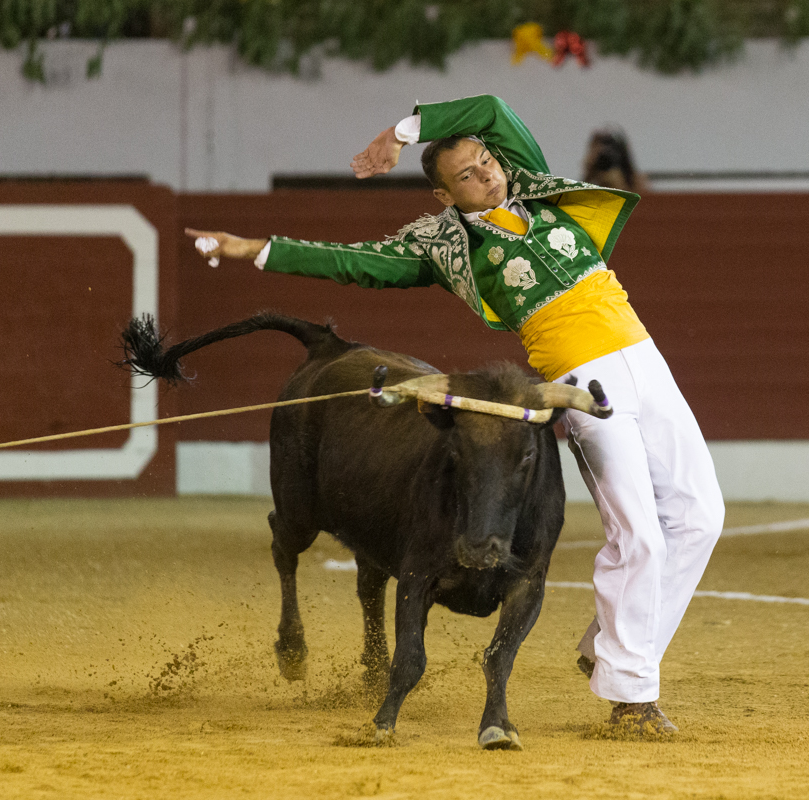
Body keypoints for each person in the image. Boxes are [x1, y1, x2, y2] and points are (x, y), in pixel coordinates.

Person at [186, 95, 724, 735]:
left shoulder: (532, 185)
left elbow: (492, 109)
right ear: (444, 196)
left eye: (486, 162)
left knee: (701, 516)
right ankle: (632, 696)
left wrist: (401, 132)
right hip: (580, 378)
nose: (487, 174)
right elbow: (352, 261)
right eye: (467, 174)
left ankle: (609, 649)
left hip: (646, 358)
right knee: (638, 534)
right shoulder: (445, 246)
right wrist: (256, 248)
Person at [583, 127, 651, 194]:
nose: (606, 158)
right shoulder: (593, 175)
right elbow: (582, 191)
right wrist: (590, 170)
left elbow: (642, 197)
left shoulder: (636, 180)